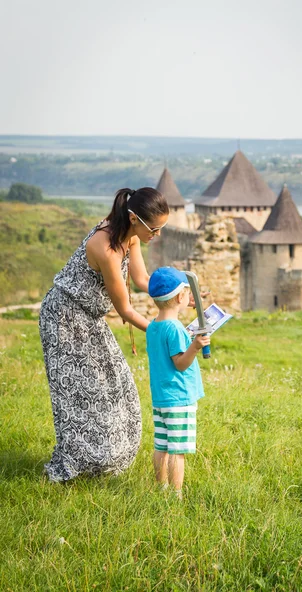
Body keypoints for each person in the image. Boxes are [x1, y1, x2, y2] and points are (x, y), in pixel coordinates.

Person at [39, 187, 169, 482]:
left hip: (90, 317)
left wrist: (175, 293)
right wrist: (162, 330)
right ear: (134, 217)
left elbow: (141, 280)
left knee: (117, 385)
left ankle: (105, 461)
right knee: (80, 393)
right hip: (64, 317)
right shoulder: (106, 247)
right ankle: (76, 464)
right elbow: (124, 309)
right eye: (155, 228)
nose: (158, 235)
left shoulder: (132, 235)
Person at [146, 266, 210, 499]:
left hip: (161, 398)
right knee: (177, 451)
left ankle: (160, 487)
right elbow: (180, 363)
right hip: (179, 398)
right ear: (181, 297)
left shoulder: (154, 325)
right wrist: (195, 346)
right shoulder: (175, 329)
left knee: (161, 446)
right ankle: (176, 495)